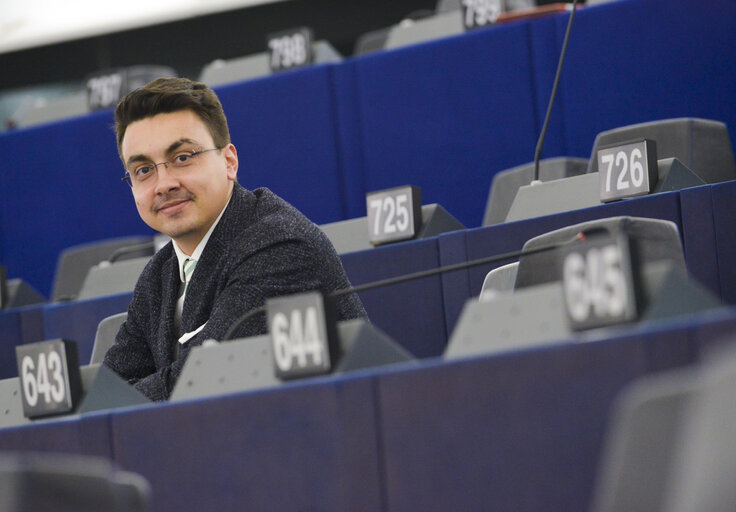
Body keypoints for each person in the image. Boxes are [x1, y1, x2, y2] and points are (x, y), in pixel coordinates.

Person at [103, 77, 367, 401]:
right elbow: (107, 395)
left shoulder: (280, 246)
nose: (164, 184)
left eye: (183, 157)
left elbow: (205, 381)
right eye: (143, 170)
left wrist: (137, 392)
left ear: (229, 162)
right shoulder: (158, 275)